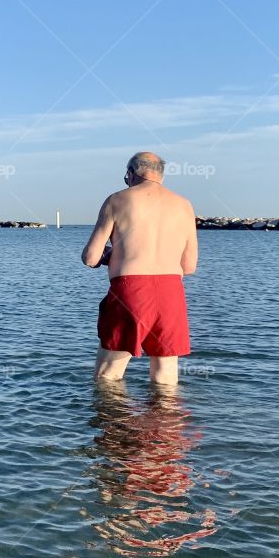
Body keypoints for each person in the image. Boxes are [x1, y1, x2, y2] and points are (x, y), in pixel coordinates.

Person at [82, 151, 198, 386]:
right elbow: (189, 266)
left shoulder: (117, 200)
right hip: (171, 292)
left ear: (131, 173)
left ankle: (115, 422)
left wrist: (108, 256)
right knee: (165, 377)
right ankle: (165, 421)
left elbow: (90, 257)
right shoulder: (184, 205)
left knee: (108, 375)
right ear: (161, 176)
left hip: (130, 290)